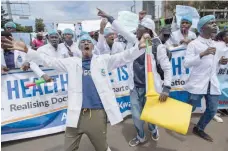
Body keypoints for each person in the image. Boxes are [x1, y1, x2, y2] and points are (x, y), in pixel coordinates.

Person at [1, 14, 150, 151]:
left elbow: (123, 56)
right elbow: (49, 61)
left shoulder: (103, 60)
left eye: (88, 42)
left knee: (102, 148)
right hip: (75, 114)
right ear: (79, 47)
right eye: (83, 42)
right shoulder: (71, 62)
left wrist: (138, 48)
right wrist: (27, 50)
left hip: (96, 114)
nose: (86, 43)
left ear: (92, 46)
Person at [97, 8, 172, 147]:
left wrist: (167, 87)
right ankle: (141, 136)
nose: (136, 30)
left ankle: (153, 129)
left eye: (140, 28)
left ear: (147, 31)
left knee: (151, 115)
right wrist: (110, 17)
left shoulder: (157, 47)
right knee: (137, 116)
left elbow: (167, 68)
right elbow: (122, 30)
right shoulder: (134, 41)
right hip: (135, 88)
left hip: (151, 89)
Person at [183, 15, 228, 142]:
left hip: (212, 82)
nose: (215, 25)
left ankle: (199, 128)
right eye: (211, 23)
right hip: (198, 82)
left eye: (215, 23)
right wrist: (202, 54)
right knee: (189, 107)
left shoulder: (216, 45)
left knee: (213, 109)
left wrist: (221, 62)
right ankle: (178, 122)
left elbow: (214, 64)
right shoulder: (194, 44)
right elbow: (186, 63)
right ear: (202, 28)